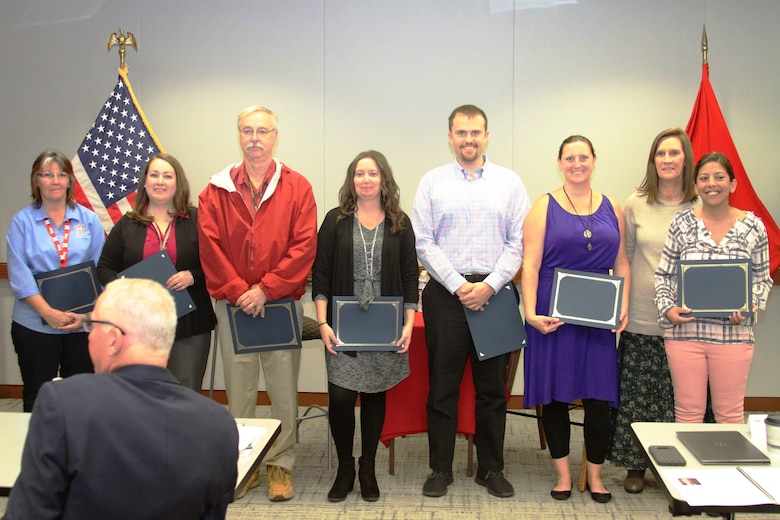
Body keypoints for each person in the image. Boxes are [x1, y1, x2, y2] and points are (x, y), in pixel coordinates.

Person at [2, 278, 238, 520]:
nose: (89, 338)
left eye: (92, 327)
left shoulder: (64, 403)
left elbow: (29, 513)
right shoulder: (219, 423)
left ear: (114, 339)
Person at [198, 105, 317, 502]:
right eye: (247, 130)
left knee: (283, 389)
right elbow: (209, 247)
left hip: (279, 304)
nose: (255, 138)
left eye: (262, 131)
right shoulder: (215, 190)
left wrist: (265, 289)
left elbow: (304, 247)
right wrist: (238, 290)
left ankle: (281, 465)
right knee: (240, 389)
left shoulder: (298, 187)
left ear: (274, 136)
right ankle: (243, 464)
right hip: (233, 305)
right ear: (238, 135)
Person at [412, 104, 531, 498]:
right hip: (446, 296)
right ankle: (440, 469)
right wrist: (459, 285)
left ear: (486, 135)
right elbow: (423, 241)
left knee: (493, 390)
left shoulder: (510, 183)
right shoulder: (432, 182)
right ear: (450, 136)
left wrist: (491, 285)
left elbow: (519, 242)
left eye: (475, 132)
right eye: (461, 132)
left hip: (495, 296)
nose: (468, 139)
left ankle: (490, 469)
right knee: (442, 387)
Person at [522, 135, 630, 504]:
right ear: (560, 162)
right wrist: (530, 313)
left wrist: (624, 306)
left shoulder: (612, 205)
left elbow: (623, 263)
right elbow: (531, 265)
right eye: (570, 157)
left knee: (599, 398)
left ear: (594, 161)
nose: (577, 163)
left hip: (599, 314)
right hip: (553, 315)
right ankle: (563, 475)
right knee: (555, 398)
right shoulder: (543, 205)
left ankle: (596, 477)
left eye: (583, 157)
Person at [312, 150, 417, 502]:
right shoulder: (335, 221)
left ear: (384, 179)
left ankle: (368, 467)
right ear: (351, 180)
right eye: (360, 174)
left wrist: (408, 324)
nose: (366, 179)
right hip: (343, 324)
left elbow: (408, 276)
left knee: (375, 394)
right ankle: (345, 468)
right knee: (341, 397)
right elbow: (321, 275)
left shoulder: (399, 222)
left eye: (373, 173)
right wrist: (323, 322)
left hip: (384, 325)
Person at [609, 128, 699, 494]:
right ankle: (636, 466)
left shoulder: (700, 205)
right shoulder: (635, 203)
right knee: (639, 397)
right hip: (643, 317)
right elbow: (624, 259)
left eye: (674, 153)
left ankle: (687, 467)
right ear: (653, 160)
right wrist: (621, 306)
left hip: (692, 322)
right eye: (660, 154)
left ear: (685, 159)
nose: (666, 160)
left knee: (686, 399)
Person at [654, 151, 771, 425]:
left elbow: (762, 279)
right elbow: (663, 276)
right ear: (696, 186)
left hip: (734, 337)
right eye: (704, 178)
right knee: (687, 414)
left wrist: (750, 305)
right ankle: (688, 472)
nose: (711, 183)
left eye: (719, 177)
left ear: (732, 184)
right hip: (685, 336)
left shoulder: (754, 227)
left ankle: (729, 470)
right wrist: (668, 309)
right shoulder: (681, 224)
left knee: (729, 415)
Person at [97, 153, 215, 392]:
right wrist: (126, 290)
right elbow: (104, 267)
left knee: (186, 392)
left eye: (167, 175)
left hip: (190, 325)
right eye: (154, 175)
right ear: (145, 181)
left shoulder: (197, 219)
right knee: (142, 393)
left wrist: (192, 276)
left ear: (177, 182)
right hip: (139, 326)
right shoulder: (128, 223)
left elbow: (216, 264)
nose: (160, 181)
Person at [6, 149, 105, 412]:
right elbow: (19, 274)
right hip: (34, 326)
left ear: (70, 181)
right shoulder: (22, 222)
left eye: (61, 174)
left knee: (81, 397)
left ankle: (78, 452)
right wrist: (48, 313)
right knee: (37, 397)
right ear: (36, 180)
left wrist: (86, 318)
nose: (55, 180)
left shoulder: (89, 220)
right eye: (47, 174)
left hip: (81, 325)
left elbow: (101, 269)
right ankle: (37, 453)